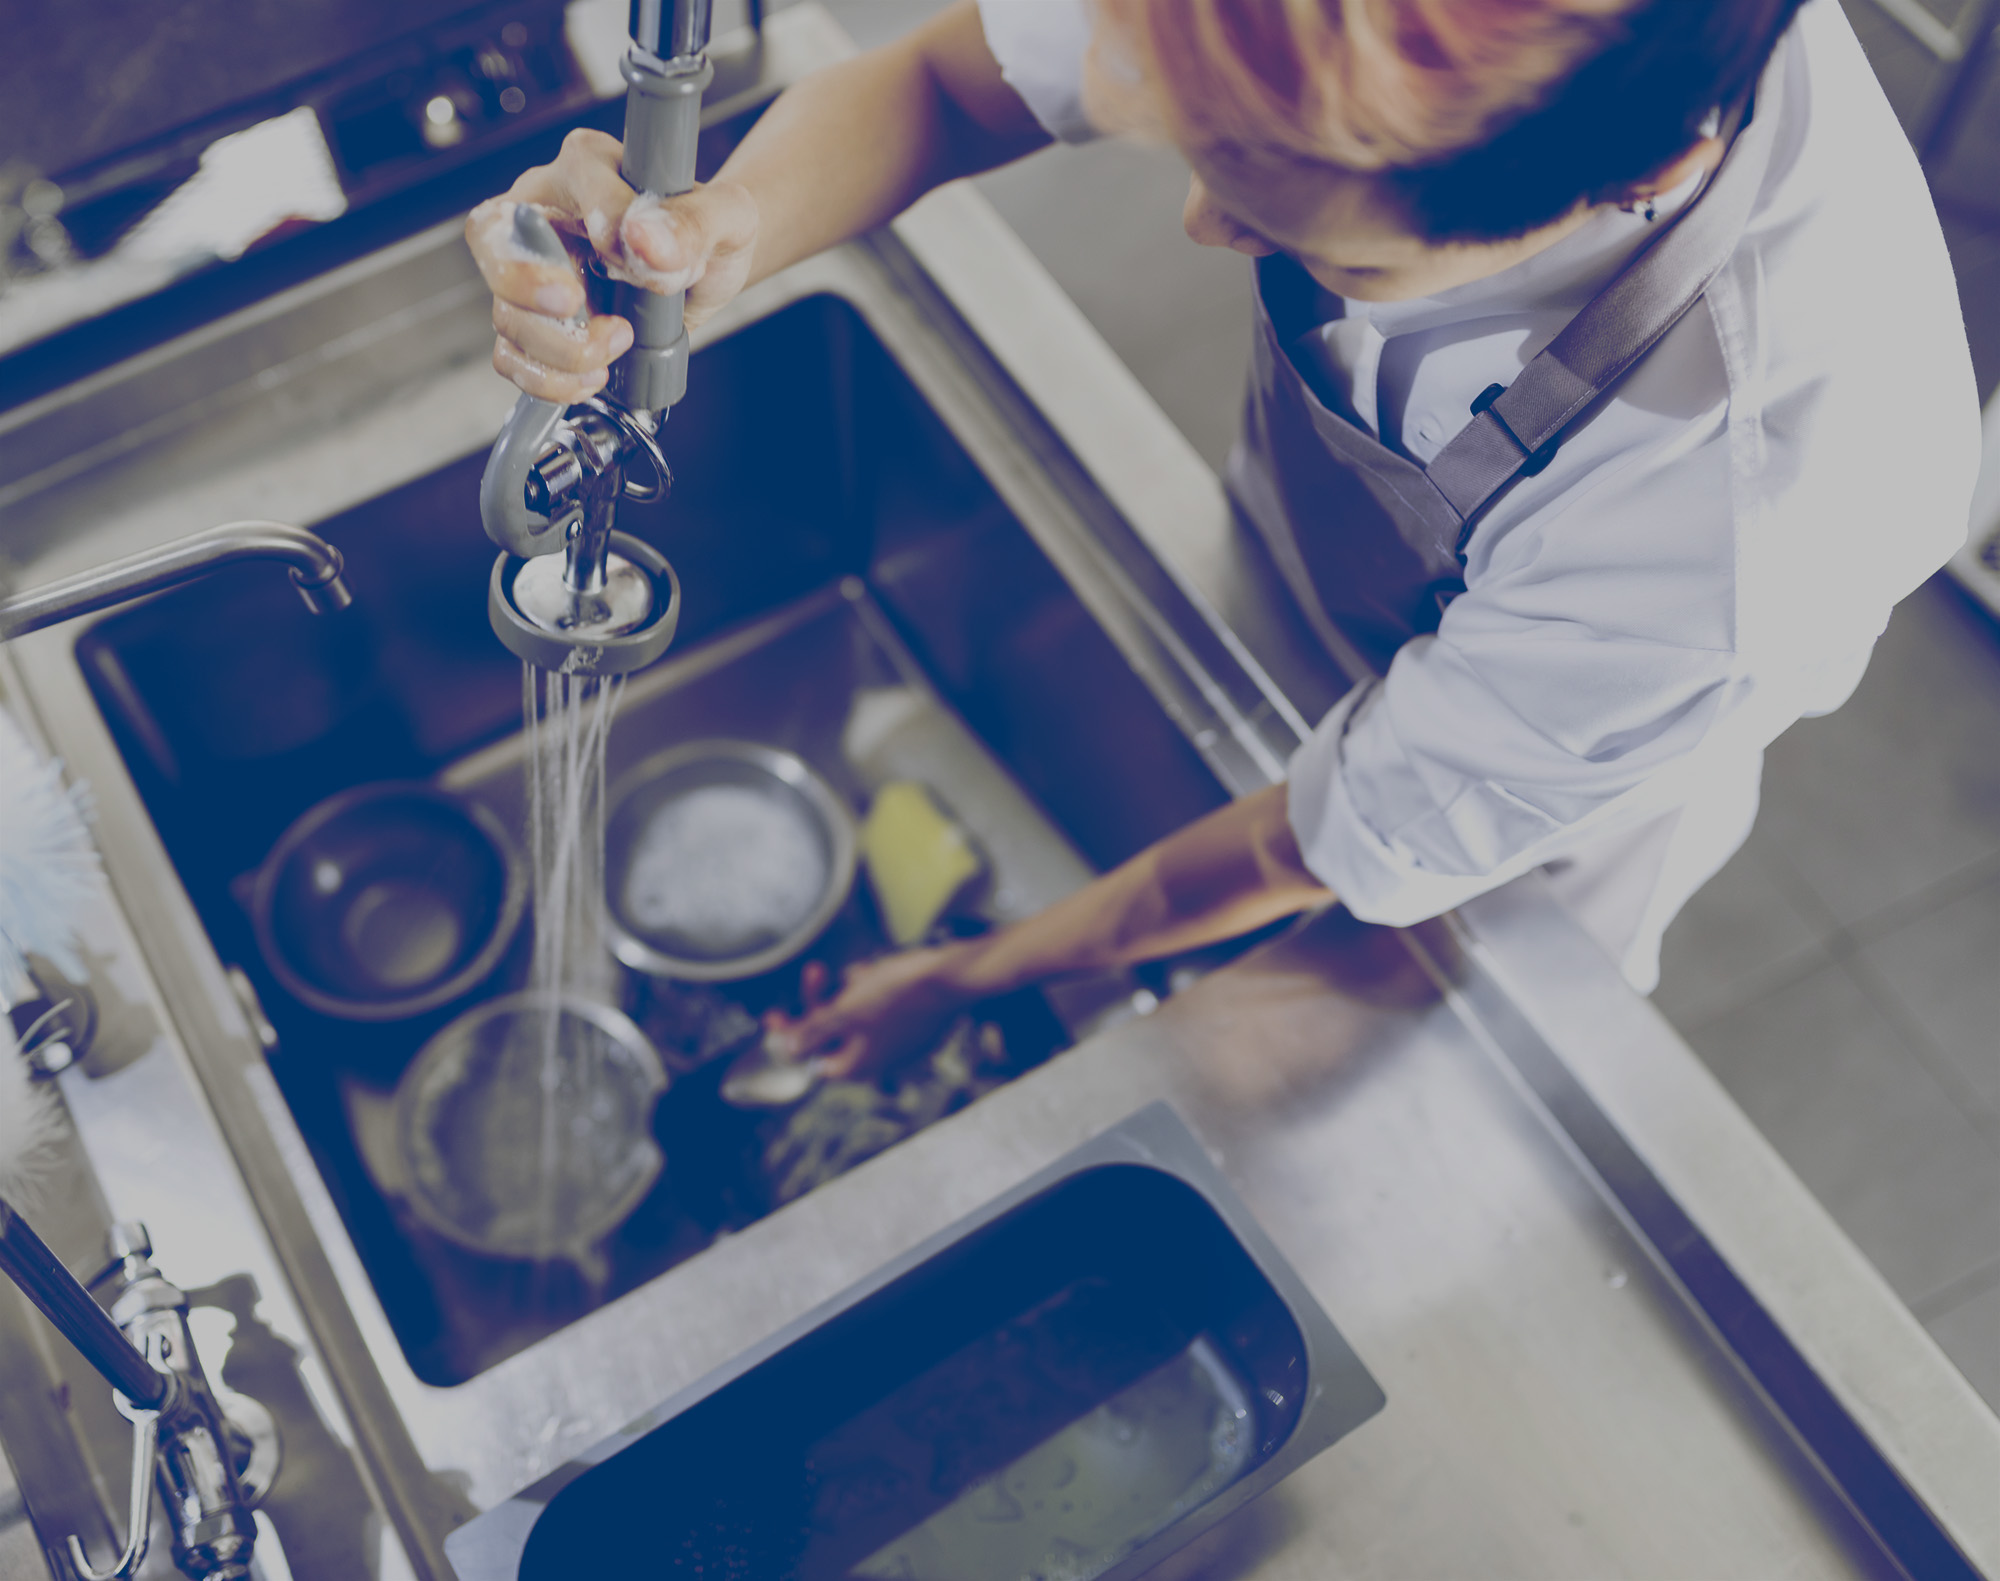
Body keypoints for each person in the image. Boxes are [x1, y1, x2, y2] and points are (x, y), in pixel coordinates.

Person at [467, 0, 1980, 1078]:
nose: (1198, 222)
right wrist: (721, 227)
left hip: (1503, 833)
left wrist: (974, 971)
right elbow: (951, 84)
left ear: (1625, 183)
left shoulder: (1745, 499)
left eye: (1309, 235)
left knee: (1357, 1075)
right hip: (1307, 576)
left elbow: (1318, 834)